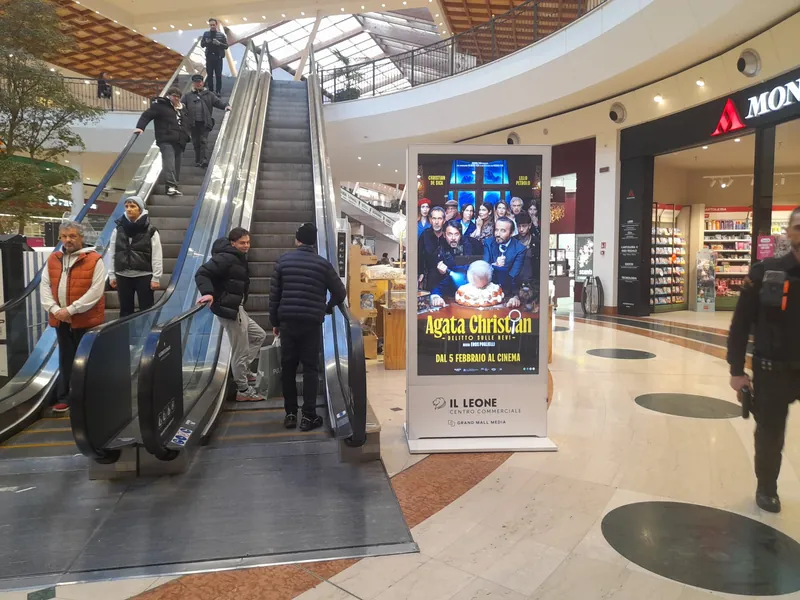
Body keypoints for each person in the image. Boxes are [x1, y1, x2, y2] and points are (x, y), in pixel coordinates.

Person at [727, 206, 800, 514]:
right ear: (789, 232)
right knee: (770, 434)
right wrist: (736, 370)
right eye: (799, 226)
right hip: (773, 369)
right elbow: (741, 323)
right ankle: (767, 487)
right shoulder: (764, 272)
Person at [269, 223, 347, 431]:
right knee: (310, 369)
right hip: (311, 323)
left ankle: (291, 414)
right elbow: (340, 293)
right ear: (314, 241)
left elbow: (274, 295)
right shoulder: (322, 264)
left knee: (288, 368)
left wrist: (275, 322)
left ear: (297, 240)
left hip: (287, 322)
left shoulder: (283, 262)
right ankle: (309, 416)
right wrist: (326, 308)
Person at [40, 222, 106, 413]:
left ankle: (89, 397)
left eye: (72, 236)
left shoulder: (95, 260)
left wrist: (71, 310)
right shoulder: (53, 259)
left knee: (88, 360)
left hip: (86, 320)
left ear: (81, 237)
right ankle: (65, 397)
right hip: (60, 319)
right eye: (64, 236)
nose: (68, 240)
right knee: (66, 359)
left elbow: (96, 291)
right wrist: (54, 309)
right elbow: (45, 286)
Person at [196, 227, 266, 402]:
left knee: (259, 335)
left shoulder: (238, 258)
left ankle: (243, 370)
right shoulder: (225, 258)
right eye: (242, 243)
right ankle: (243, 390)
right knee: (240, 352)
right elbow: (202, 273)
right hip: (229, 310)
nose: (246, 246)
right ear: (232, 243)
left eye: (248, 242)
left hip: (237, 307)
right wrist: (208, 293)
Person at [108, 196, 163, 317]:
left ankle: (145, 334)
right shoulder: (118, 230)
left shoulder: (151, 230)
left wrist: (156, 277)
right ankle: (126, 335)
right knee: (125, 310)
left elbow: (157, 254)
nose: (129, 209)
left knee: (147, 309)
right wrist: (111, 274)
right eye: (127, 206)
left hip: (144, 276)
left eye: (133, 206)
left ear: (140, 209)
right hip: (122, 275)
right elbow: (112, 252)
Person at [134, 86, 190, 196]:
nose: (176, 99)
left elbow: (186, 123)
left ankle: (174, 185)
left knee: (176, 165)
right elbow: (146, 115)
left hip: (180, 141)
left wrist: (187, 135)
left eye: (178, 97)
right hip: (166, 139)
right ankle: (170, 186)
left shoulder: (182, 109)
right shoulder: (159, 106)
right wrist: (140, 127)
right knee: (169, 163)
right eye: (174, 96)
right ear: (168, 96)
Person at [183, 74, 230, 168]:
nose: (198, 84)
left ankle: (203, 160)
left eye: (199, 82)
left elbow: (217, 103)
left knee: (203, 140)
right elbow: (182, 105)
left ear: (202, 83)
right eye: (196, 82)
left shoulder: (209, 94)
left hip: (205, 122)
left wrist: (226, 106)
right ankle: (197, 160)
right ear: (193, 84)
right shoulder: (188, 96)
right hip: (192, 123)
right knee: (196, 141)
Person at [430, 220, 482, 306]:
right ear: (444, 235)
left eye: (456, 234)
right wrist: (439, 272)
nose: (453, 238)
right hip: (450, 295)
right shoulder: (439, 250)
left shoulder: (472, 245)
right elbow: (434, 280)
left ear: (460, 235)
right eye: (450, 234)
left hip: (474, 291)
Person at [483, 217, 526, 307]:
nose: (498, 234)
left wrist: (515, 296)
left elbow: (514, 275)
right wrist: (494, 265)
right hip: (487, 289)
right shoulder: (488, 243)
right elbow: (483, 268)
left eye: (503, 231)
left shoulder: (519, 249)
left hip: (508, 292)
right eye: (497, 230)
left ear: (511, 233)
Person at [418, 206, 446, 291]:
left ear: (444, 220)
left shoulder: (448, 235)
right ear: (430, 220)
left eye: (439, 218)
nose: (436, 222)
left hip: (447, 278)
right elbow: (419, 256)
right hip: (429, 279)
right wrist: (420, 273)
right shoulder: (424, 235)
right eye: (434, 218)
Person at [201, 18, 228, 95]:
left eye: (213, 25)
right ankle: (211, 90)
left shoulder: (221, 35)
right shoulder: (206, 34)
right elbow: (202, 45)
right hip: (209, 57)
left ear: (216, 25)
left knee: (218, 75)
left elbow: (226, 46)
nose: (212, 26)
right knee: (209, 74)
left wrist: (219, 43)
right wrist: (206, 42)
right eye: (211, 25)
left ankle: (218, 91)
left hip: (218, 57)